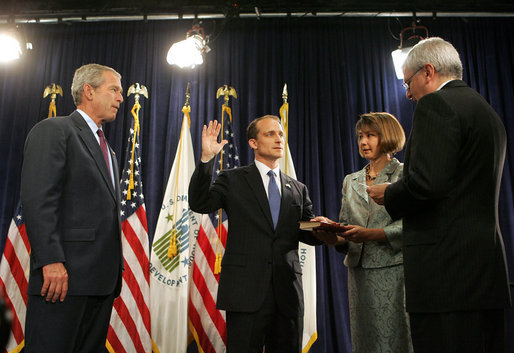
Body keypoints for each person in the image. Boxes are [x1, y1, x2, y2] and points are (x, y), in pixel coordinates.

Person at [367, 37, 511, 352]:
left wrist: (389, 193)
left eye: (409, 83)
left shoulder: (437, 104)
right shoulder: (485, 110)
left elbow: (428, 184)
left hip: (445, 277)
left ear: (428, 72)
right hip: (485, 273)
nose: (408, 93)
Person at [188, 115, 322, 353]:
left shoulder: (298, 188)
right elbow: (200, 203)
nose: (279, 139)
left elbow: (307, 232)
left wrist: (326, 230)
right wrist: (207, 159)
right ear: (253, 143)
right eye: (270, 134)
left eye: (280, 134)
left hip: (287, 295)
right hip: (245, 293)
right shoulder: (233, 179)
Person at [20, 63, 124, 353]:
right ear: (88, 91)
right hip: (62, 279)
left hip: (100, 282)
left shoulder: (110, 151)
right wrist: (51, 260)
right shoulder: (54, 130)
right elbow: (39, 200)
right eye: (114, 89)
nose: (120, 98)